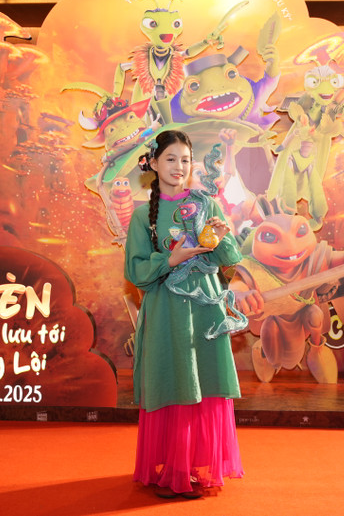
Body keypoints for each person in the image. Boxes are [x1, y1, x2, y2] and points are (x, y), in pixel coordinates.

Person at [124, 129, 248, 499]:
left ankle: (195, 466)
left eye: (185, 160)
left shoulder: (207, 204)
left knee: (204, 381)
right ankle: (174, 469)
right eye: (171, 159)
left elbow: (229, 258)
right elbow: (136, 271)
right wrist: (170, 259)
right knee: (174, 380)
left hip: (205, 309)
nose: (179, 166)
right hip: (166, 311)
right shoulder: (142, 216)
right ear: (153, 163)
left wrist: (222, 236)